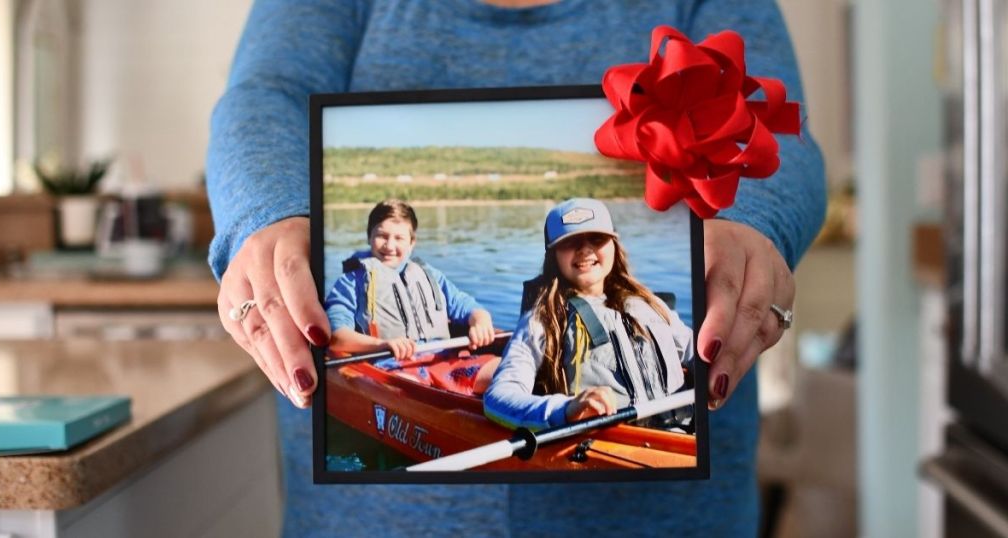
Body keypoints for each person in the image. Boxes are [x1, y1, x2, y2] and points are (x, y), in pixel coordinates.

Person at [207, 0, 825, 535]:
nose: (587, 256)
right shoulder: (383, 289)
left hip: (671, 516)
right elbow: (265, 98)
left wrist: (751, 225)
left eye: (598, 244)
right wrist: (267, 214)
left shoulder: (650, 309)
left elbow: (777, 124)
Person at [484, 198, 694, 430]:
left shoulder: (650, 304)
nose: (585, 249)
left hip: (684, 435)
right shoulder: (541, 320)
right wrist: (565, 409)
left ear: (613, 244)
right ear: (553, 256)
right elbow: (499, 396)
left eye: (597, 238)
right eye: (570, 242)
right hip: (615, 447)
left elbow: (696, 352)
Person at [325, 199, 497, 392]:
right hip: (394, 368)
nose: (389, 246)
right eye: (382, 236)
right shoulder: (350, 282)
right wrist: (383, 344)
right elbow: (337, 336)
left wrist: (480, 322)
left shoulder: (430, 274)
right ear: (369, 237)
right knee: (415, 391)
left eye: (399, 238)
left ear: (411, 242)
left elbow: (469, 307)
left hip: (447, 362)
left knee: (508, 372)